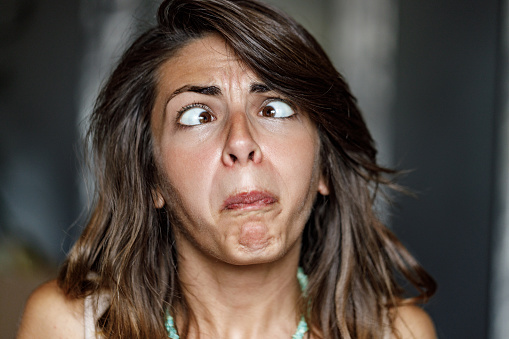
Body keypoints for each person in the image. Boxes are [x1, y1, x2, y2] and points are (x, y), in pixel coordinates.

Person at [17, 0, 437, 338]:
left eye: (275, 108)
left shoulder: (398, 334)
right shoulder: (70, 328)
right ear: (151, 178)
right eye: (198, 115)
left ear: (324, 167)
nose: (241, 142)